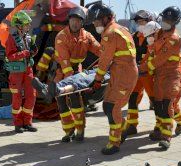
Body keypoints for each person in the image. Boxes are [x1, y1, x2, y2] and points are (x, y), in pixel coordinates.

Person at [88, 3, 138, 155]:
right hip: (121, 72)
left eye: (96, 21)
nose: (95, 24)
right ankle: (121, 130)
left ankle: (114, 142)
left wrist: (97, 79)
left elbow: (104, 60)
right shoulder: (120, 28)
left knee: (112, 107)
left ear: (105, 19)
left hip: (124, 73)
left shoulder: (110, 33)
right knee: (107, 105)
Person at [53, 7, 101, 142]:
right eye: (72, 20)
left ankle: (80, 129)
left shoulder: (87, 36)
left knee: (75, 100)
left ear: (82, 23)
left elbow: (99, 50)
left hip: (76, 71)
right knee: (61, 101)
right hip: (62, 71)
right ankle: (69, 131)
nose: (75, 23)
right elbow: (64, 62)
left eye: (78, 21)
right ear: (69, 20)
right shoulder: (61, 36)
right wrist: (71, 82)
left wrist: (109, 57)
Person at [140, 6, 181, 149]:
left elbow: (160, 59)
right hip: (160, 74)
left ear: (175, 21)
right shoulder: (159, 33)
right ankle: (160, 129)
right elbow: (152, 51)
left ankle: (166, 136)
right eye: (165, 18)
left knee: (166, 105)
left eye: (169, 20)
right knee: (158, 104)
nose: (166, 21)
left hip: (171, 75)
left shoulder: (174, 39)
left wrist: (143, 69)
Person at [122, 10, 156, 136]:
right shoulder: (133, 37)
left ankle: (160, 125)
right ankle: (131, 125)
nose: (140, 24)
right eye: (138, 22)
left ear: (149, 22)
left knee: (155, 100)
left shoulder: (154, 36)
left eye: (143, 21)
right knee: (132, 99)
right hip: (136, 74)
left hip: (149, 74)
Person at [5, 11, 38, 133]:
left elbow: (30, 53)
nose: (28, 26)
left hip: (28, 70)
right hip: (16, 72)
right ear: (19, 25)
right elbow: (10, 56)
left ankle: (27, 122)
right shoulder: (11, 38)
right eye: (26, 24)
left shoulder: (28, 37)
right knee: (17, 98)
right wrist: (24, 53)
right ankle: (18, 124)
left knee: (31, 96)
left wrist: (34, 50)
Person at [32, 68, 110, 102]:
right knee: (71, 78)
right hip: (94, 71)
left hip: (104, 75)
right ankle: (46, 89)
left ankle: (59, 90)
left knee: (82, 82)